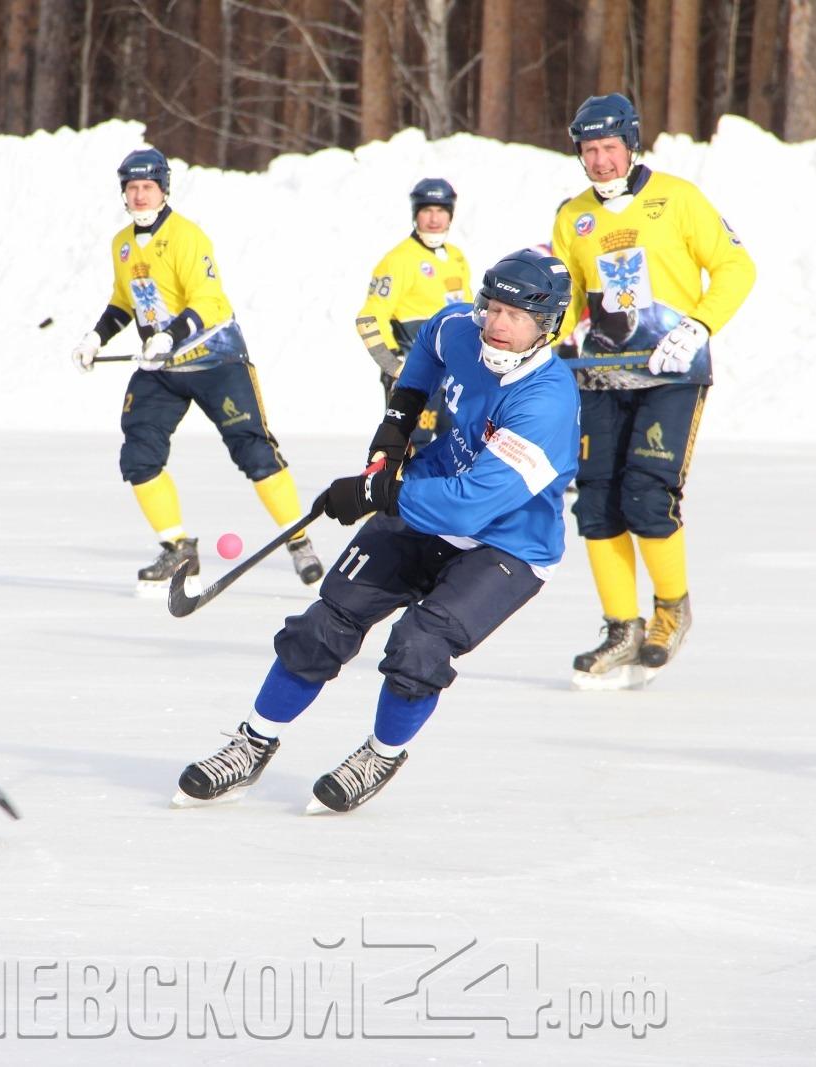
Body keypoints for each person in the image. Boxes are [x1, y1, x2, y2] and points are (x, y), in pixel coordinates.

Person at [174, 250, 579, 813]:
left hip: (508, 543)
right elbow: (428, 348)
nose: (496, 324)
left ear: (547, 325)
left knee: (419, 646)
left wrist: (376, 492)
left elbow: (467, 510)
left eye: (516, 315)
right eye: (494, 307)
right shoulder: (462, 327)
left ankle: (381, 753)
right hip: (428, 493)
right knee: (325, 622)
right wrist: (394, 432)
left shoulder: (547, 403)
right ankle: (252, 742)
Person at [551, 93, 755, 689]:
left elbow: (737, 267)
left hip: (672, 373)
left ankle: (671, 609)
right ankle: (622, 628)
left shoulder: (678, 198)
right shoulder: (572, 218)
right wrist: (554, 347)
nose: (601, 161)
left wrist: (697, 326)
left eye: (609, 148)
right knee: (594, 503)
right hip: (603, 375)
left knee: (646, 494)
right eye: (589, 151)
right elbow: (566, 296)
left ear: (631, 144)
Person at [72, 148, 324, 592]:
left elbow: (207, 301)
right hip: (161, 368)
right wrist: (96, 337)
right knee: (139, 455)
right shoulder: (123, 244)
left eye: (148, 186)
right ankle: (177, 548)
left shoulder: (187, 237)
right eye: (132, 188)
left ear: (164, 189)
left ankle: (298, 539)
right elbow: (123, 300)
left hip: (215, 360)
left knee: (255, 453)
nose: (140, 195)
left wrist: (170, 335)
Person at [354, 178, 471, 447]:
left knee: (456, 448)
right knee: (410, 451)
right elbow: (369, 318)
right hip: (415, 375)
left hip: (452, 376)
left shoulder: (456, 258)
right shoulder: (399, 260)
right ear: (415, 213)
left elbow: (467, 316)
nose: (434, 218)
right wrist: (394, 365)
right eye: (426, 210)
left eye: (441, 210)